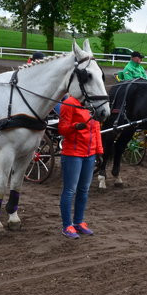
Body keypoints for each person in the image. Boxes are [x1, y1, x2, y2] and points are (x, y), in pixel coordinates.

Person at [58, 95, 103, 239]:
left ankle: (78, 222)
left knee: (84, 190)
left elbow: (96, 128)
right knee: (70, 190)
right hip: (73, 154)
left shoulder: (91, 104)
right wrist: (74, 127)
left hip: (89, 154)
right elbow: (62, 129)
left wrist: (99, 151)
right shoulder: (69, 103)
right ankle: (67, 225)